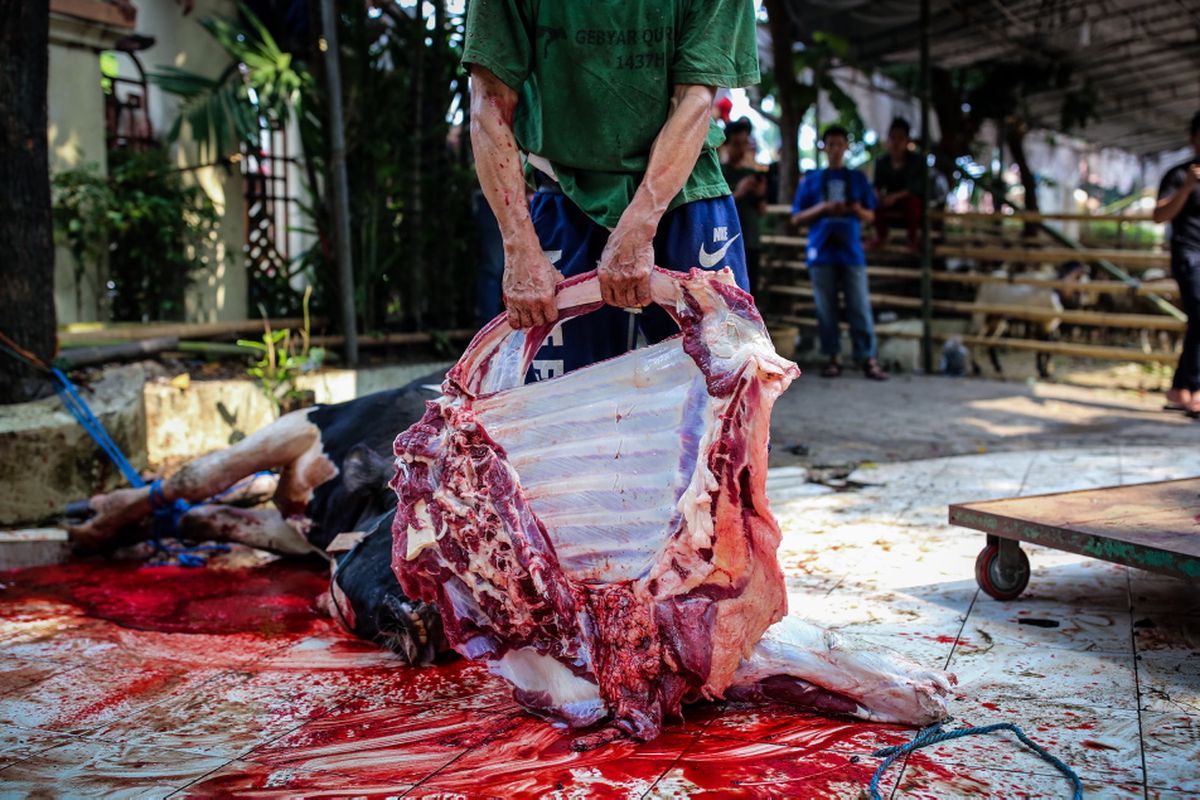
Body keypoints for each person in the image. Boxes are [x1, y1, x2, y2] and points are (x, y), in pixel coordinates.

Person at [463, 1, 760, 380]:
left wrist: (639, 225)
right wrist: (520, 247)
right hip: (565, 190)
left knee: (722, 390)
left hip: (685, 194)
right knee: (551, 404)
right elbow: (489, 101)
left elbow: (695, 98)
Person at [790, 125, 888, 381]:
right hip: (821, 251)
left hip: (851, 251)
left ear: (846, 147)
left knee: (859, 305)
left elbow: (871, 214)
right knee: (826, 308)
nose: (834, 149)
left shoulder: (857, 179)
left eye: (839, 144)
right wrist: (823, 207)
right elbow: (796, 217)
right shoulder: (811, 180)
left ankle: (867, 358)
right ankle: (833, 358)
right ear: (824, 148)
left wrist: (854, 209)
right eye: (830, 144)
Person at [1153, 111, 1200, 415]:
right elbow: (1158, 216)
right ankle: (1195, 390)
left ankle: (1179, 390)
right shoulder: (1178, 175)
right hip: (1189, 254)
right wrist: (1186, 189)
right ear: (1193, 137)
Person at [721, 117, 768, 296]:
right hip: (727, 242)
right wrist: (739, 192)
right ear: (727, 144)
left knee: (750, 292)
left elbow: (762, 210)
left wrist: (760, 193)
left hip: (751, 241)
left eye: (744, 143)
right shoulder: (719, 172)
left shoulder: (753, 174)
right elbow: (718, 208)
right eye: (736, 143)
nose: (741, 148)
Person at [870, 117, 924, 252]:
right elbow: (876, 185)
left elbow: (915, 188)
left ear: (907, 141)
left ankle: (913, 238)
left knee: (913, 203)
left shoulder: (917, 161)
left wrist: (895, 196)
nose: (896, 142)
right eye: (893, 137)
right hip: (889, 202)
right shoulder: (882, 161)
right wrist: (878, 196)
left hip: (909, 202)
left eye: (900, 138)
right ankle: (881, 236)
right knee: (874, 202)